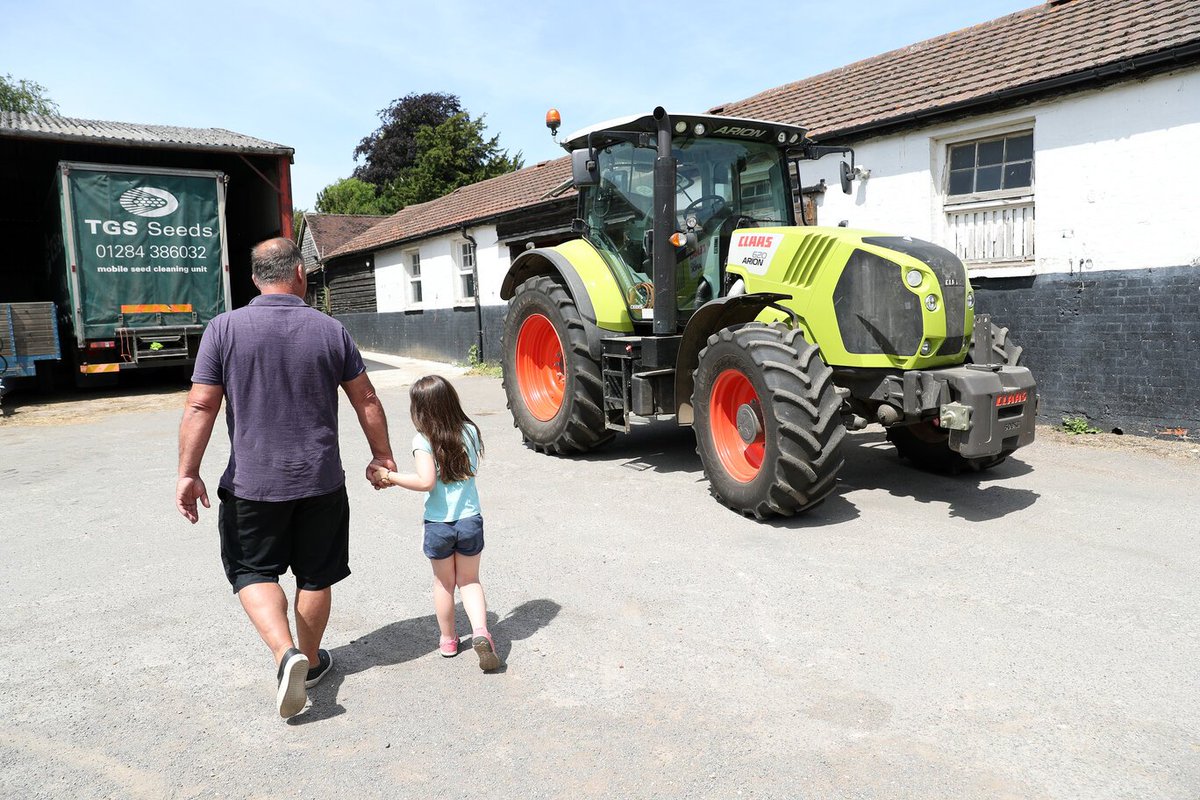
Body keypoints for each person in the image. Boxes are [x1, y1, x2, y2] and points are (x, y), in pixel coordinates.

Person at [175, 237, 396, 719]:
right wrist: (382, 456)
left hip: (253, 485)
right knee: (316, 575)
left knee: (253, 571)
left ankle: (285, 654)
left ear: (255, 278)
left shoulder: (223, 328)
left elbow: (200, 404)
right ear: (300, 273)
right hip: (321, 481)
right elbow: (368, 399)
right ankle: (312, 661)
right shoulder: (331, 330)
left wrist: (188, 473)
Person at [376, 375, 500, 671]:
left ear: (420, 410)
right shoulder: (469, 430)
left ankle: (448, 639)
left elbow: (426, 481)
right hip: (470, 519)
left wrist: (389, 477)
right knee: (469, 581)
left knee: (444, 584)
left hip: (439, 525)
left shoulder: (423, 440)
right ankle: (481, 632)